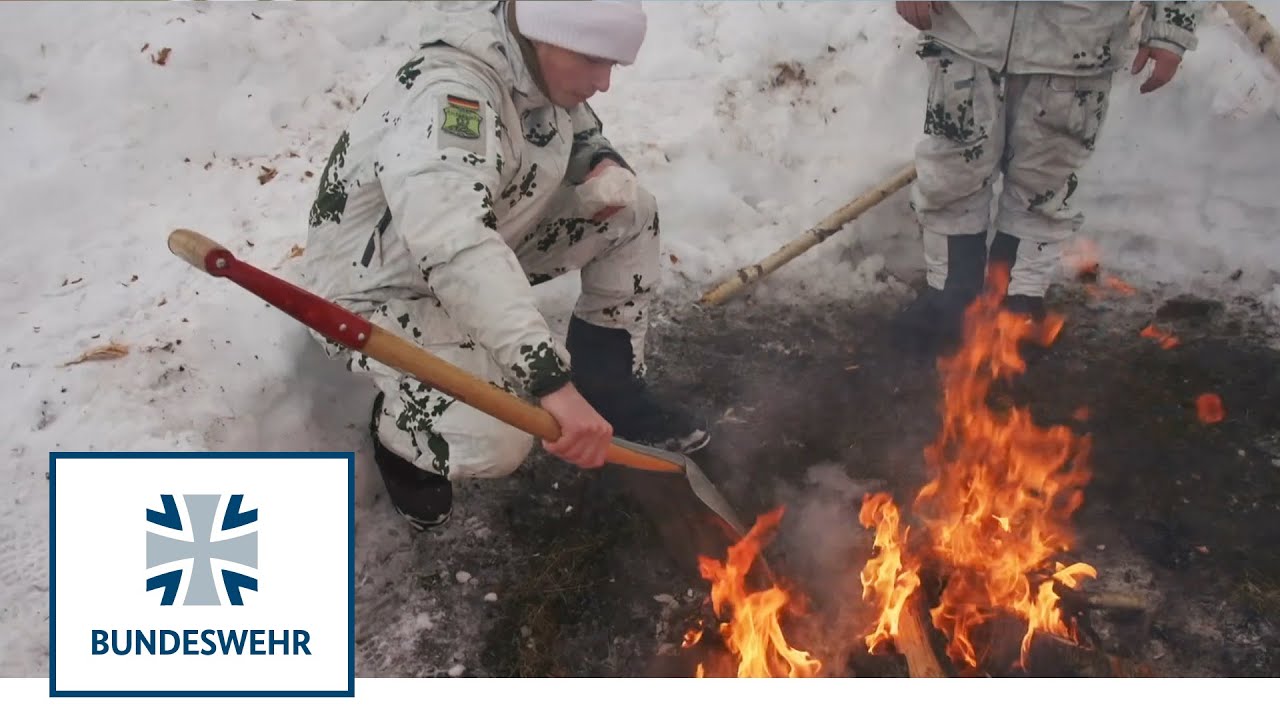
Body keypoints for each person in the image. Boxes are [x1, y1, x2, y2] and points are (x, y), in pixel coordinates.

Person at [298, 0, 708, 531]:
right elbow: (457, 247)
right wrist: (550, 383)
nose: (604, 82)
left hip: (480, 239)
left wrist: (599, 163)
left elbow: (576, 125)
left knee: (631, 213)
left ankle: (609, 391)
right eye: (592, 60)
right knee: (501, 438)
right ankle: (405, 435)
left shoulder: (530, 62)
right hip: (384, 289)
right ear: (545, 34)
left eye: (612, 63)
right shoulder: (451, 100)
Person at [892, 1, 1204, 353]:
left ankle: (1018, 302)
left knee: (1044, 181)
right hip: (967, 32)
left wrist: (1171, 27)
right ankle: (952, 295)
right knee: (953, 173)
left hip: (1077, 43)